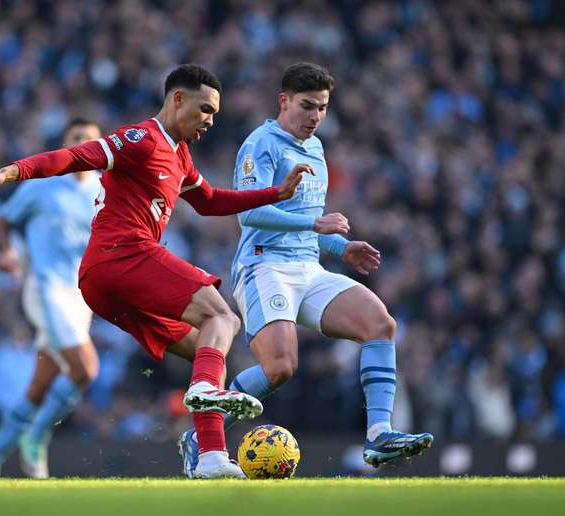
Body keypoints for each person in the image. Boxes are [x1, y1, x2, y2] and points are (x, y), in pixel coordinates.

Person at [0, 64, 309, 479]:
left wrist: (276, 193)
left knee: (207, 352)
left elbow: (210, 201)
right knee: (223, 317)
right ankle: (199, 395)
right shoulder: (141, 138)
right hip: (120, 255)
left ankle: (210, 456)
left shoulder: (179, 155)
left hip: (105, 283)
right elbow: (73, 157)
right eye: (205, 109)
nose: (210, 121)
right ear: (177, 99)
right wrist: (10, 172)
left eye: (214, 114)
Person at [178, 63, 433, 477]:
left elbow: (310, 226)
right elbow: (250, 215)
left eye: (323, 108)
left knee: (380, 323)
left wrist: (340, 245)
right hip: (263, 266)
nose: (315, 116)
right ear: (284, 101)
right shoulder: (261, 144)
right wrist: (317, 225)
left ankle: (379, 436)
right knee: (280, 367)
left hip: (307, 269)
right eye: (307, 106)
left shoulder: (315, 149)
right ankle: (202, 432)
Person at [0, 119, 103, 479]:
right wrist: (7, 252)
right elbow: (2, 221)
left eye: (91, 140)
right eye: (77, 139)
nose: (84, 145)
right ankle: (37, 434)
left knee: (42, 383)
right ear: (65, 145)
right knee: (87, 368)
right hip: (46, 289)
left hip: (80, 297)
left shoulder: (104, 189)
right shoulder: (43, 186)